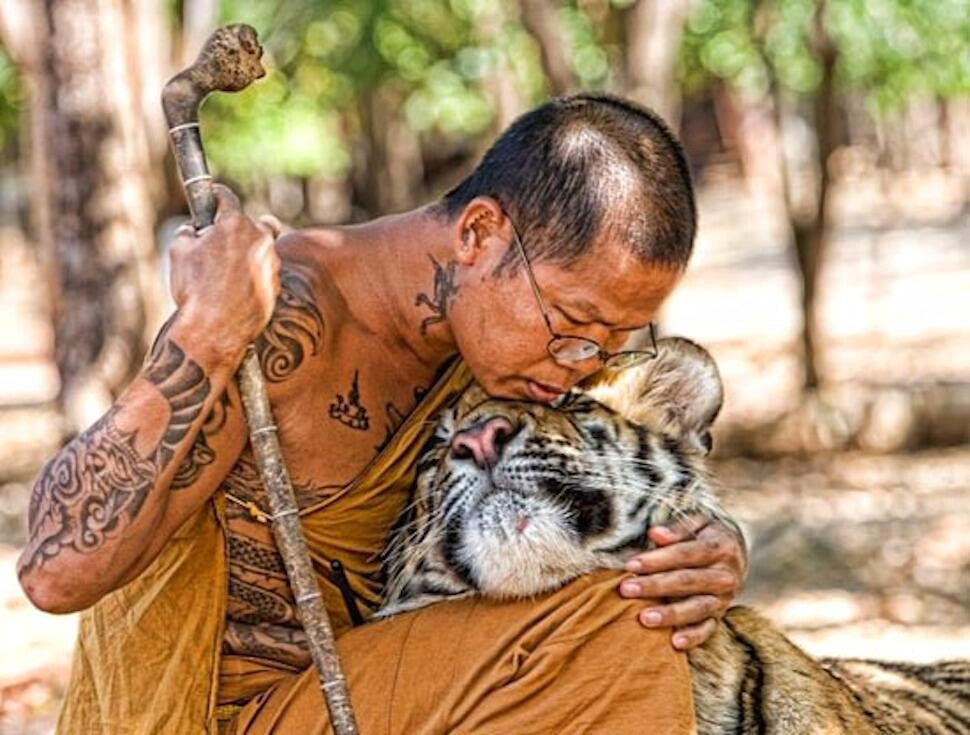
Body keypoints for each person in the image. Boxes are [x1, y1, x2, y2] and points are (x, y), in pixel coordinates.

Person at [18, 93, 747, 733]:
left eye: (613, 343)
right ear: (478, 235)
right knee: (608, 632)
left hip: (365, 689)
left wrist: (710, 547)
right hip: (211, 717)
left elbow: (616, 476)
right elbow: (53, 570)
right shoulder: (284, 323)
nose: (585, 364)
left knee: (632, 610)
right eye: (573, 324)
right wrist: (206, 332)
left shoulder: (500, 354)